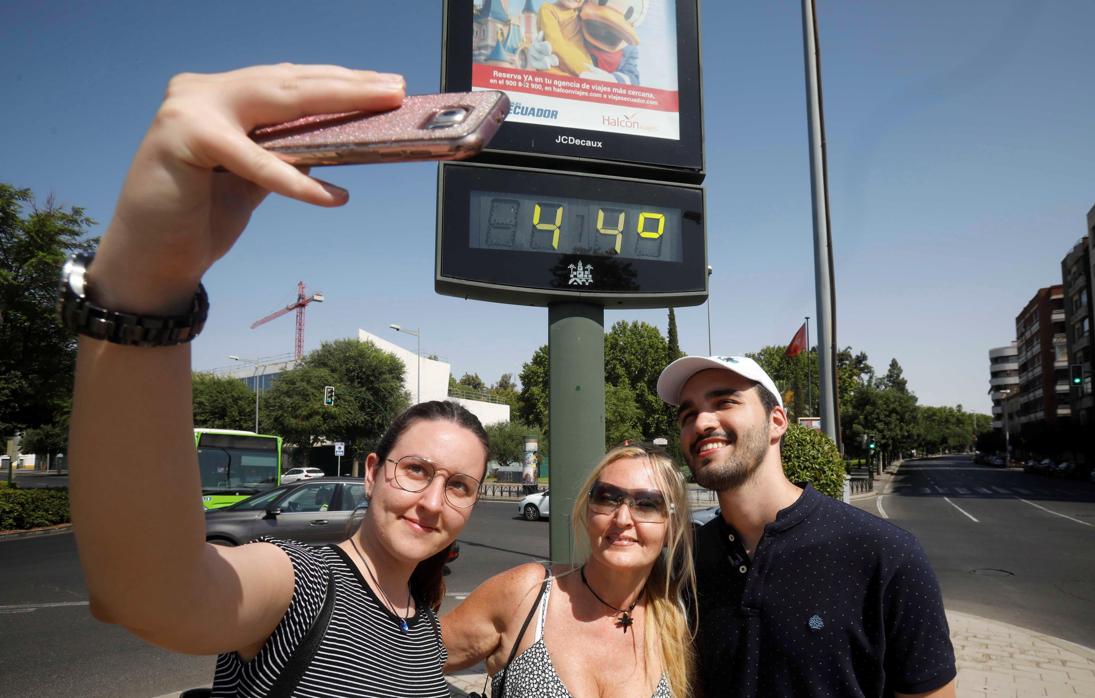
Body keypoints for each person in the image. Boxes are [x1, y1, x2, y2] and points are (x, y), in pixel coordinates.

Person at [67, 64, 489, 696]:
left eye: (460, 486)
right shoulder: (304, 582)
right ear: (372, 471)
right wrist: (148, 280)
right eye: (417, 471)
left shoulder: (422, 622)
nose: (432, 502)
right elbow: (152, 593)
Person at [656, 356, 958, 697]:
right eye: (688, 414)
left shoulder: (887, 555)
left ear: (777, 421)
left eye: (725, 402)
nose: (701, 423)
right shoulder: (685, 564)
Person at [442, 445, 696, 698]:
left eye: (647, 504)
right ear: (588, 511)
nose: (622, 519)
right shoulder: (528, 593)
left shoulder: (679, 622)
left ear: (671, 526)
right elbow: (410, 660)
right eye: (607, 498)